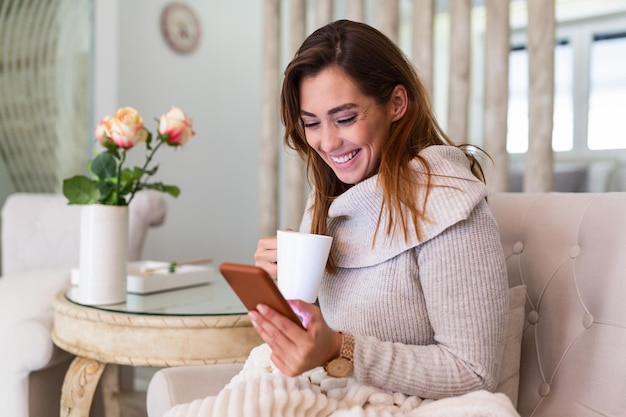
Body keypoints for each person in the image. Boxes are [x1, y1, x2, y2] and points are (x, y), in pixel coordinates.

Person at [251, 19, 509, 401]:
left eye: (345, 118)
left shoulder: (449, 206)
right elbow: (317, 333)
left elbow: (474, 372)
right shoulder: (327, 202)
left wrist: (342, 350)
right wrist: (281, 293)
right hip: (336, 395)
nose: (327, 142)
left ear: (397, 104)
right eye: (311, 123)